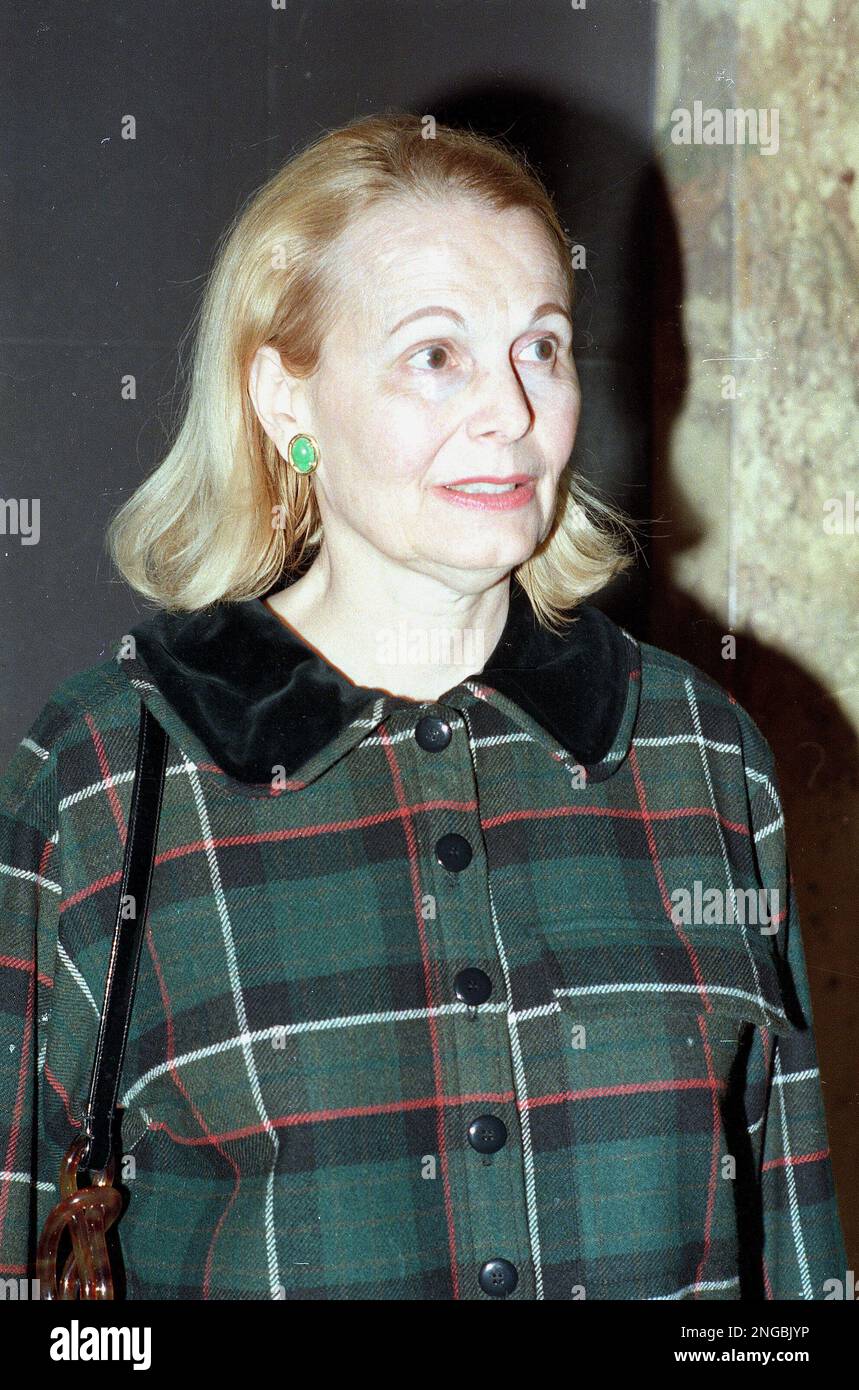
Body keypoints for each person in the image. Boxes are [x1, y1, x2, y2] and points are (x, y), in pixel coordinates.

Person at [0, 111, 846, 1300]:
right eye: (435, 353)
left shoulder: (704, 753)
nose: (510, 410)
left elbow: (795, 1259)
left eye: (540, 346)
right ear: (286, 402)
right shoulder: (106, 772)